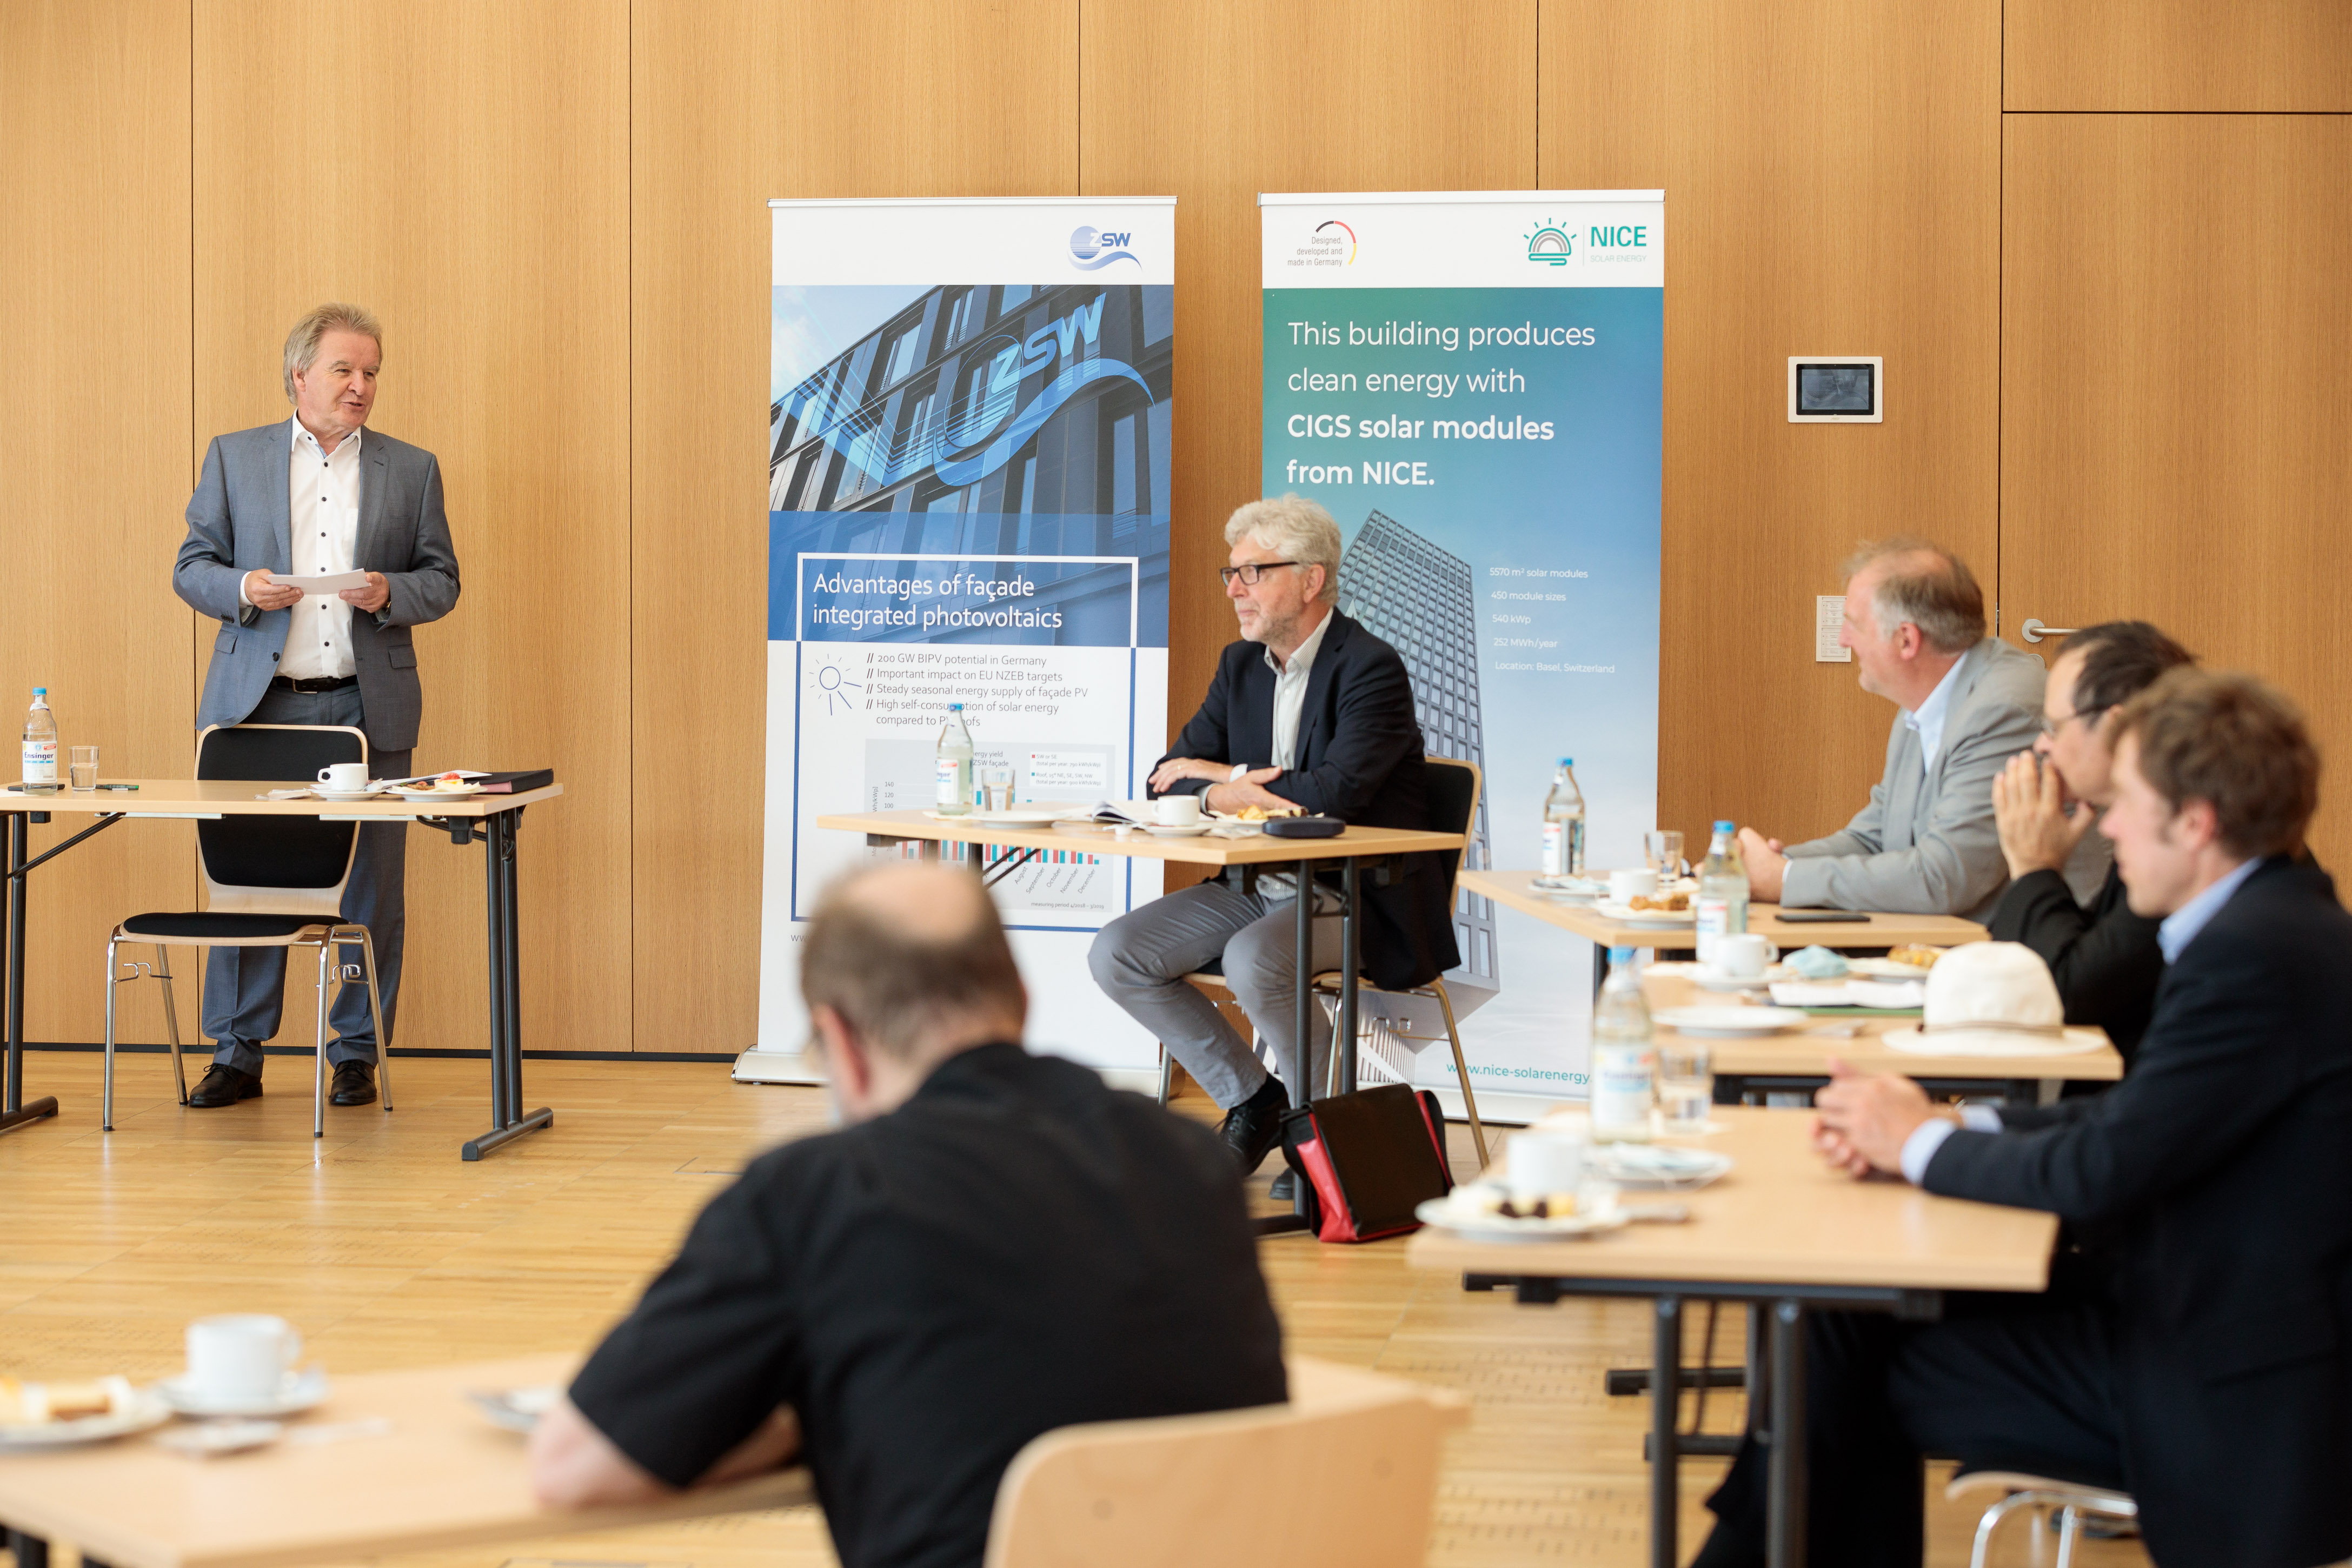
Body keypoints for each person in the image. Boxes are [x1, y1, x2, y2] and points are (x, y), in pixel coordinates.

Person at [1695, 669, 2352, 1568]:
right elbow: (2136, 1122)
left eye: (2127, 805)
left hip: (2223, 1378)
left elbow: (2102, 1169)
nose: (2108, 827)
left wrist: (1917, 1142)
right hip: (2192, 1308)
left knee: (1847, 1361)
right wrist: (1944, 1130)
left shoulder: (2251, 956)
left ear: (2195, 823)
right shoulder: (2275, 924)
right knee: (1839, 1312)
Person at [529, 862, 1286, 1568]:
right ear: (1020, 1001)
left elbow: (576, 1469)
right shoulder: (1187, 1159)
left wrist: (802, 1416)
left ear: (839, 1041)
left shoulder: (812, 1193)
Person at [1087, 495, 1456, 1173]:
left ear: (1311, 579)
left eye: (1253, 572)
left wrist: (1223, 776)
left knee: (1254, 959)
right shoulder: (1240, 665)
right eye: (1231, 573)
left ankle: (1323, 1140)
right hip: (1256, 884)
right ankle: (1256, 1099)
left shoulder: (1370, 666)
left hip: (1356, 893)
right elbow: (1165, 779)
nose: (1234, 588)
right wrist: (1221, 788)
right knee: (1119, 952)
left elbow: (1335, 795)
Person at [170, 304, 460, 1110]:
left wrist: (390, 592)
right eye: (344, 370)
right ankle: (237, 1053)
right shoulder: (235, 457)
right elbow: (192, 565)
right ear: (300, 375)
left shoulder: (412, 468)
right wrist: (243, 587)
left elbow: (442, 580)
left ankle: (356, 1053)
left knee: (372, 891)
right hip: (260, 709)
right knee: (252, 885)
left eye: (371, 372)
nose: (361, 385)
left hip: (368, 707)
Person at [1738, 539, 2101, 920]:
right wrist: (1763, 865)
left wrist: (1784, 879)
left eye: (1854, 625)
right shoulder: (1924, 701)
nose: (1844, 639)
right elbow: (1873, 838)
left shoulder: (2001, 710)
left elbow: (1944, 878)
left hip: (2036, 944)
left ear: (1906, 640)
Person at [1986, 621, 2194, 1062]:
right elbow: (2092, 947)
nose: (2042, 745)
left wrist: (2035, 867)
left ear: (2117, 730)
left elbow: (2067, 997)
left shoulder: (2184, 843)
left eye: (2054, 727)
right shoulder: (2153, 818)